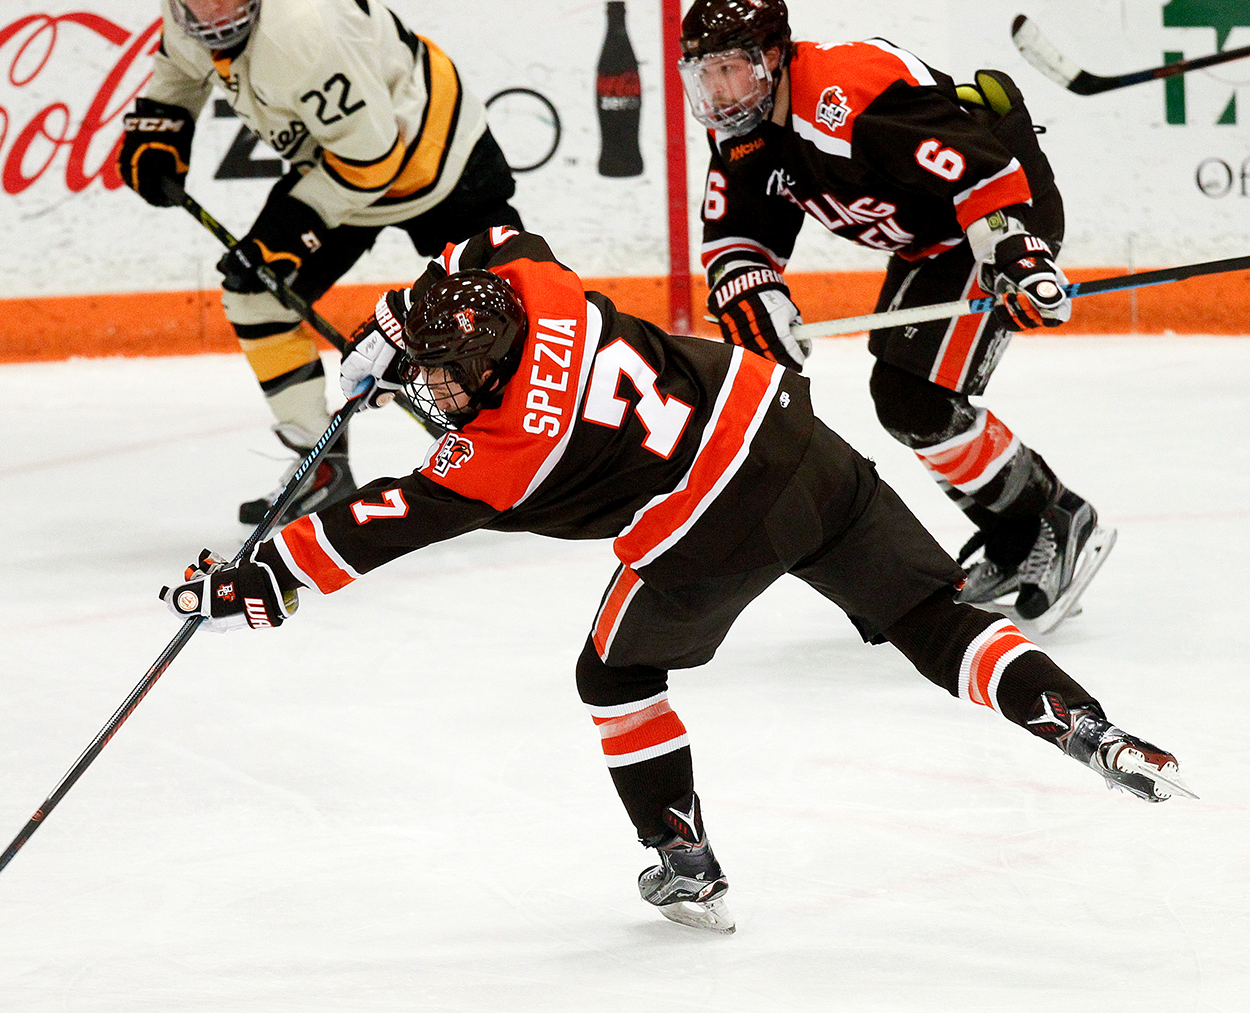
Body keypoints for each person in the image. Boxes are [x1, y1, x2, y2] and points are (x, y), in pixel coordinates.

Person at [160, 227, 1193, 934]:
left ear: (484, 369)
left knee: (613, 676)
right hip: (787, 433)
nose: (427, 392)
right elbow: (487, 248)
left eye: (440, 377)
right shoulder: (539, 290)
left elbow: (375, 522)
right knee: (933, 615)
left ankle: (683, 854)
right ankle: (1089, 726)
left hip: (711, 521)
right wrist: (397, 325)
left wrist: (257, 583)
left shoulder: (504, 449)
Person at [675, 0, 1113, 630]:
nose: (714, 92)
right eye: (703, 74)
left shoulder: (845, 94)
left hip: (994, 220)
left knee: (919, 401)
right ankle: (1022, 536)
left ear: (771, 58)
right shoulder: (743, 126)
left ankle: (1052, 518)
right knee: (905, 402)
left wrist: (1014, 250)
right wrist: (750, 284)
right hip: (929, 243)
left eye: (727, 70)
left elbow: (978, 171)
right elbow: (738, 231)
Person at [119, 0, 523, 523]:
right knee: (257, 298)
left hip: (437, 155)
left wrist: (292, 229)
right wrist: (162, 126)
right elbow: (179, 66)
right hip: (339, 163)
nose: (212, 16)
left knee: (501, 308)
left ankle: (531, 444)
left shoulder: (301, 30)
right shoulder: (185, 21)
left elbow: (374, 157)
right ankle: (320, 468)